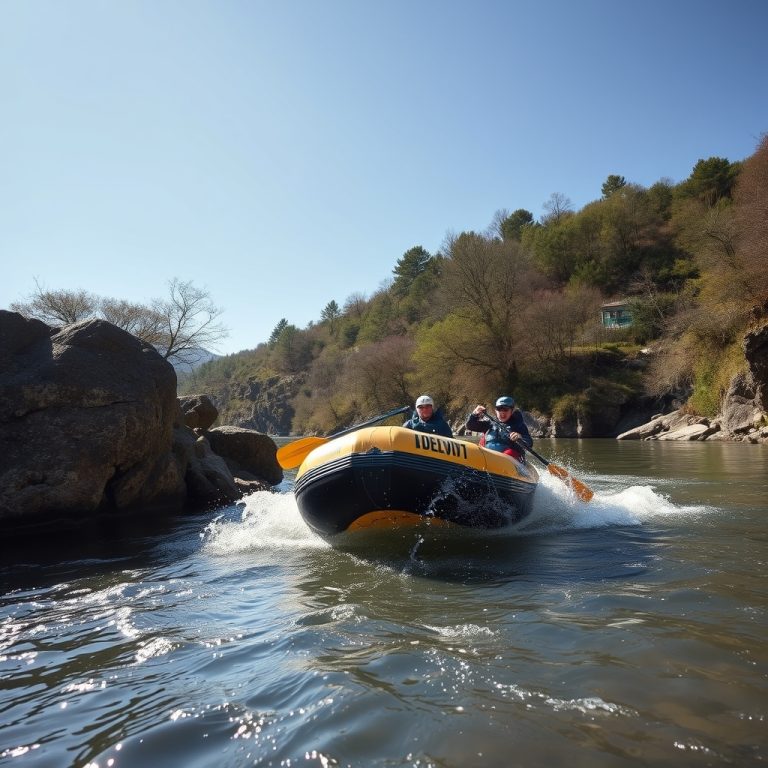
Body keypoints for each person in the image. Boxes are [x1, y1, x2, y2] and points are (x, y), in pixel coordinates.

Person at [465, 396, 532, 460]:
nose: (502, 412)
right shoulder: (489, 423)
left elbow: (529, 442)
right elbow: (470, 425)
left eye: (506, 409)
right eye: (499, 409)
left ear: (512, 411)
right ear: (495, 411)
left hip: (510, 459)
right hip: (487, 456)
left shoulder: (518, 425)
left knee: (510, 453)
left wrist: (520, 437)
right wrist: (474, 414)